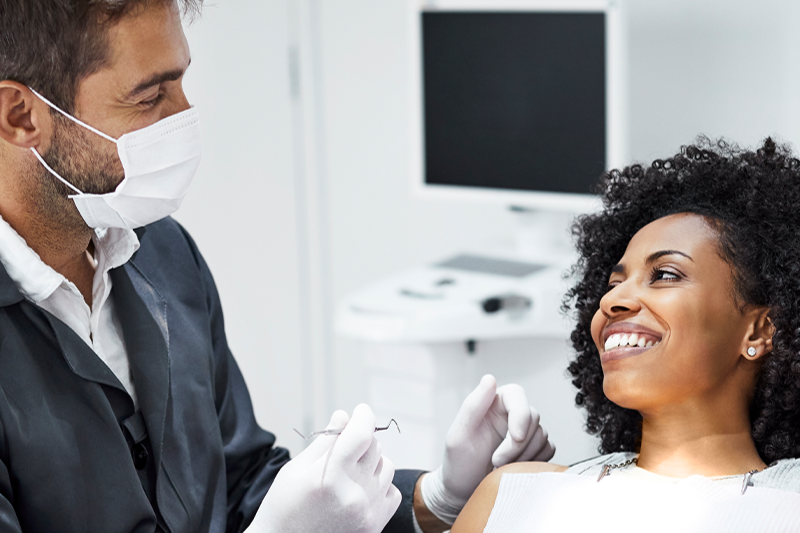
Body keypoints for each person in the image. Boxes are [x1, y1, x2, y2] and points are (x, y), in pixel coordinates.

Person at [0, 1, 555, 532]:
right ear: (21, 116)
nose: (184, 117)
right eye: (150, 97)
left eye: (181, 81)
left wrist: (436, 500)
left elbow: (241, 480)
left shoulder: (163, 257)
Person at [452, 138, 800, 533]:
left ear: (758, 331)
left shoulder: (788, 504)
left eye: (665, 275)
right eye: (614, 283)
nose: (615, 300)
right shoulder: (512, 493)